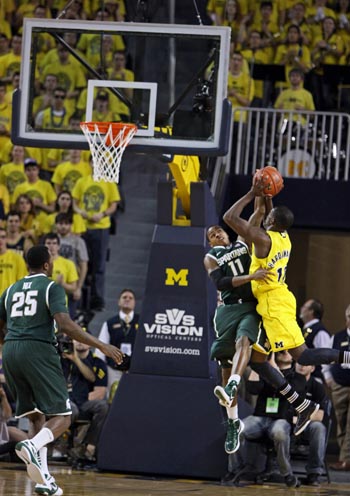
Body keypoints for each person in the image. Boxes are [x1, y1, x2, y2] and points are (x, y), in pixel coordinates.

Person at [218, 173, 350, 424]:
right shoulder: (282, 235)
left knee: (303, 356)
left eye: (268, 216)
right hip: (274, 301)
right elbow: (269, 212)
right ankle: (301, 404)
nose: (265, 216)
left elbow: (229, 218)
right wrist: (266, 194)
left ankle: (346, 358)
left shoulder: (263, 239)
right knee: (257, 361)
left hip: (274, 305)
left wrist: (251, 193)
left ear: (271, 222)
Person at [0, 245, 123, 495]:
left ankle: (43, 480)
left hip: (10, 351)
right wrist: (101, 344)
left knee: (36, 415)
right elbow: (65, 325)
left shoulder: (9, 289)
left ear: (26, 265)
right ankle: (32, 446)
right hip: (37, 350)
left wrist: (11, 345)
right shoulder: (51, 287)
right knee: (64, 416)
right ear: (47, 265)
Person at [230, 351, 304, 488]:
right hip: (260, 417)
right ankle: (236, 469)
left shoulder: (298, 377)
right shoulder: (264, 371)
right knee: (235, 429)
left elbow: (286, 389)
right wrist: (258, 365)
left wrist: (272, 366)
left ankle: (287, 474)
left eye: (288, 351)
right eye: (281, 351)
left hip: (281, 419)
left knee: (279, 432)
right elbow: (253, 388)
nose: (284, 352)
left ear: (293, 358)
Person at [60, 338, 109, 463]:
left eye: (83, 339)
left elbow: (93, 381)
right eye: (76, 339)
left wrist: (76, 359)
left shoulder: (98, 363)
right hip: (63, 401)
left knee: (103, 406)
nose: (80, 342)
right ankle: (61, 446)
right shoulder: (61, 359)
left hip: (84, 402)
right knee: (71, 408)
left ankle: (89, 446)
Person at [95, 289, 140, 394]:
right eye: (124, 297)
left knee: (133, 395)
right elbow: (100, 346)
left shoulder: (142, 322)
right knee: (112, 397)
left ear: (135, 303)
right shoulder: (109, 323)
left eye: (130, 298)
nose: (127, 300)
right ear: (119, 302)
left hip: (133, 369)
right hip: (113, 369)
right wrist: (102, 367)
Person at [293, 361, 329, 486]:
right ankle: (280, 471)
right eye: (299, 363)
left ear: (313, 368)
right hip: (287, 422)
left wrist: (300, 419)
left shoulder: (317, 387)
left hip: (307, 425)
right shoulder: (286, 383)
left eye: (306, 364)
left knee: (318, 428)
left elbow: (319, 416)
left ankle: (314, 474)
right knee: (278, 425)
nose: (302, 366)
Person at [328, 304, 350, 471]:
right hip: (338, 385)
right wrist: (329, 379)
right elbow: (326, 358)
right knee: (341, 421)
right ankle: (345, 457)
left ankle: (345, 459)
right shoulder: (337, 337)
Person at [299, 298, 331, 381]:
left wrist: (327, 376)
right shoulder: (304, 329)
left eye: (304, 306)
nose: (301, 308)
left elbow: (325, 356)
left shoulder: (320, 331)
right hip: (301, 377)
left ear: (311, 311)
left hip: (314, 379)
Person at [0, 226, 27, 294]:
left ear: (7, 239)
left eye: (3, 237)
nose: (0, 240)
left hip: (11, 299)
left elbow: (22, 283)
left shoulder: (17, 258)